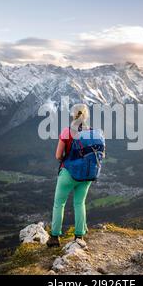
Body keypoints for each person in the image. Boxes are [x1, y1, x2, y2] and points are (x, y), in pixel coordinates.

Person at [47, 104, 96, 247]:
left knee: (59, 204)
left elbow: (58, 156)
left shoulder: (67, 132)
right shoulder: (93, 133)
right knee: (79, 203)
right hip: (87, 175)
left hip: (68, 174)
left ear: (73, 115)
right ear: (86, 116)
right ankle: (79, 236)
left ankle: (55, 237)